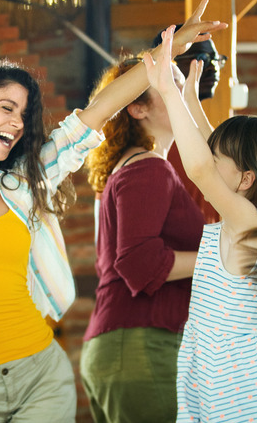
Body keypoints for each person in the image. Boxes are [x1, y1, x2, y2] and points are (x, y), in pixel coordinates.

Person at [0, 0, 226, 420]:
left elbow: (101, 108)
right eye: (6, 107)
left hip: (40, 378)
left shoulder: (23, 184)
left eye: (24, 115)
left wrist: (168, 51)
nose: (16, 121)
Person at [145, 26, 257, 422]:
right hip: (217, 380)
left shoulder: (248, 221)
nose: (209, 157)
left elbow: (203, 168)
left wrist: (168, 95)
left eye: (219, 158)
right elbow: (214, 152)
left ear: (246, 180)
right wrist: (188, 95)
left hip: (238, 390)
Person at [79, 53, 209, 423]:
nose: (181, 94)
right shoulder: (149, 167)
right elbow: (138, 263)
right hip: (140, 344)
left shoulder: (135, 167)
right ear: (137, 108)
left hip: (124, 345)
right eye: (170, 87)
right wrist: (223, 256)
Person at [153, 25, 226, 223]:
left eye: (216, 60)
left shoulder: (209, 132)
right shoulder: (157, 138)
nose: (212, 67)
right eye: (201, 59)